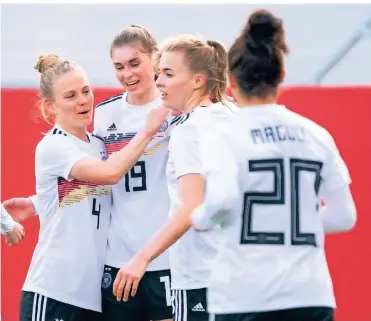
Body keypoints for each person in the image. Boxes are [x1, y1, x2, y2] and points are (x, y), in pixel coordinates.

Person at [190, 9, 357, 321]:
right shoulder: (316, 134)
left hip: (245, 295)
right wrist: (290, 220)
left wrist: (199, 216)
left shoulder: (223, 134)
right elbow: (344, 216)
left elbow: (222, 200)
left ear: (231, 80)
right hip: (311, 295)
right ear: (280, 76)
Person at [5, 26, 176, 321]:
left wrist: (37, 202)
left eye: (85, 91)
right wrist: (149, 128)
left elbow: (93, 186)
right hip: (54, 290)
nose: (83, 101)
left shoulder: (97, 143)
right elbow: (109, 174)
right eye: (70, 95)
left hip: (90, 295)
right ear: (50, 105)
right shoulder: (54, 145)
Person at [113, 35, 238, 321]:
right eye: (159, 73)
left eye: (168, 73)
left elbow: (190, 207)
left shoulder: (190, 129)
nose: (159, 82)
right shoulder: (235, 116)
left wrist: (142, 257)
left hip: (201, 277)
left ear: (197, 80)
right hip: (243, 275)